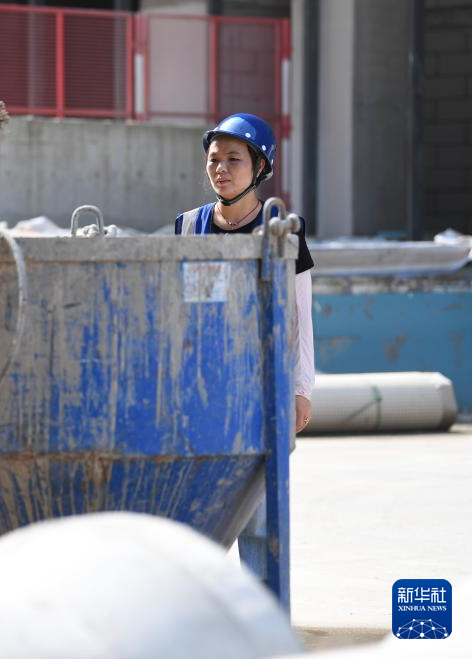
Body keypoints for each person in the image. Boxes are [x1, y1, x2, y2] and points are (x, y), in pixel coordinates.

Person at [175, 112, 315, 576]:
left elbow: (299, 316)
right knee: (194, 516)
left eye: (234, 158)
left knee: (258, 516)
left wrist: (301, 389)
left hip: (260, 392)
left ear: (260, 166)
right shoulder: (187, 227)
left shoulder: (281, 230)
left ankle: (261, 619)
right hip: (199, 391)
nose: (221, 167)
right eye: (214, 158)